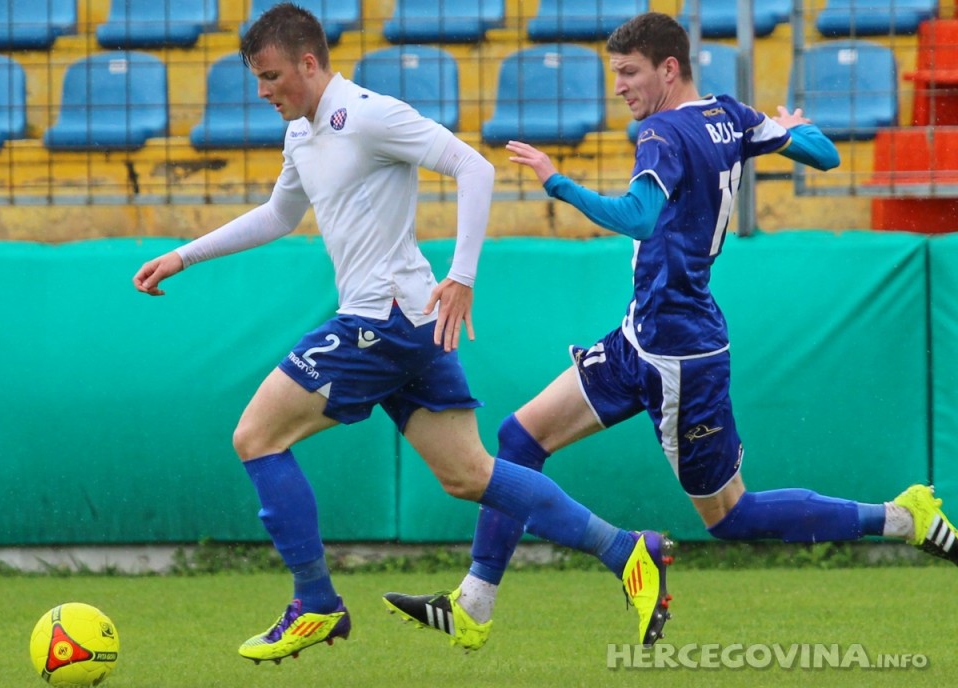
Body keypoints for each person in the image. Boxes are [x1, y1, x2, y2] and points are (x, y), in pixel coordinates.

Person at [383, 11, 958, 652]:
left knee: (733, 517)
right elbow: (822, 155)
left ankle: (903, 517)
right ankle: (474, 604)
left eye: (629, 73)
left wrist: (556, 180)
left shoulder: (661, 133)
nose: (621, 88)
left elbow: (636, 217)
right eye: (616, 74)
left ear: (669, 68)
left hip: (681, 355)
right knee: (520, 436)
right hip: (641, 338)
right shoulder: (733, 116)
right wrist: (794, 129)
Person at [133, 3, 674, 665]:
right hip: (410, 325)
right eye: (257, 80)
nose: (264, 91)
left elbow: (473, 168)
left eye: (272, 76)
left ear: (309, 61)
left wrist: (464, 274)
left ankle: (316, 604)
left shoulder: (366, 114)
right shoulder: (303, 134)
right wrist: (184, 255)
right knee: (471, 474)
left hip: (381, 323)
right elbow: (280, 214)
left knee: (256, 437)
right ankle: (628, 551)